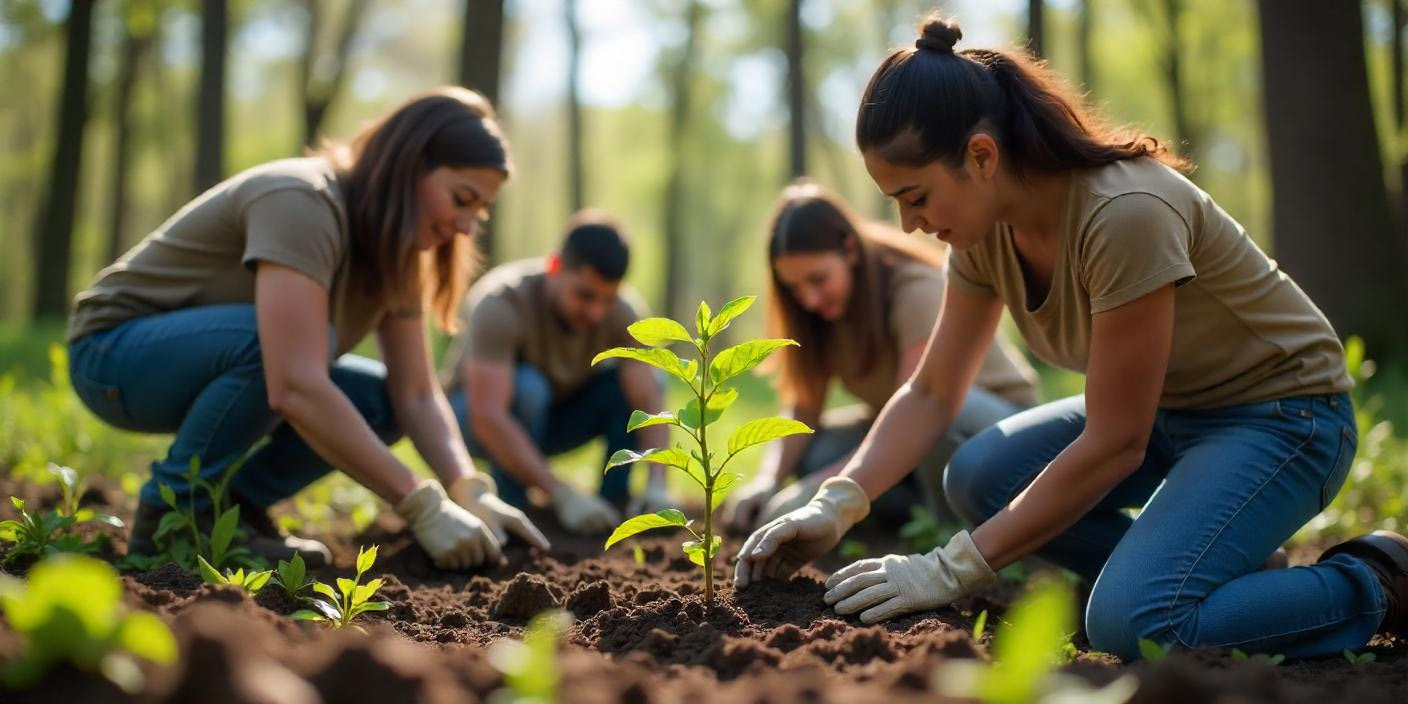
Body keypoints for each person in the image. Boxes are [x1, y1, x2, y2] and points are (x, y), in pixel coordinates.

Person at [735, 16, 1408, 662]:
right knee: (977, 476)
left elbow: (1116, 443)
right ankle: (1223, 568)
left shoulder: (1124, 214)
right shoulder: (980, 235)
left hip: (1286, 417)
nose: (909, 225)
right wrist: (839, 501)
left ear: (981, 155)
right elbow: (933, 390)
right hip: (1176, 413)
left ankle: (1373, 580)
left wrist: (953, 567)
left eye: (916, 197)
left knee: (1135, 624)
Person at [67, 86, 549, 571]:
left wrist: (468, 489)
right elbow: (294, 384)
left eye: (478, 211)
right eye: (461, 199)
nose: (466, 227)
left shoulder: (398, 253)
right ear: (409, 166)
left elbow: (418, 395)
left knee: (379, 400)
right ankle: (173, 519)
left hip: (215, 358)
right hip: (113, 354)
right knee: (283, 348)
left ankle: (232, 514)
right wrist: (418, 504)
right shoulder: (303, 201)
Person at [727, 181, 1037, 532]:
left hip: (999, 429)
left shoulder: (913, 291)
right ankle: (915, 515)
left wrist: (818, 493)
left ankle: (953, 532)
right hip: (918, 438)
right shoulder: (819, 315)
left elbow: (924, 404)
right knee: (815, 451)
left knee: (942, 414)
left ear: (850, 250)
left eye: (818, 279)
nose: (809, 299)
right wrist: (769, 480)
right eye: (794, 288)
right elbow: (804, 407)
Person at [441, 211, 677, 535]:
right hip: (470, 420)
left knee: (646, 379)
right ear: (554, 267)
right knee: (529, 388)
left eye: (607, 299)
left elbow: (648, 398)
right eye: (584, 295)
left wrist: (657, 481)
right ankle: (515, 506)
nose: (596, 312)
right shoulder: (501, 303)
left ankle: (613, 503)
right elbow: (488, 416)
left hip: (554, 420)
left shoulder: (623, 313)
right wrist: (561, 493)